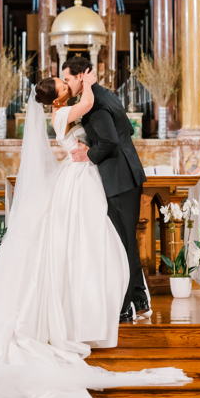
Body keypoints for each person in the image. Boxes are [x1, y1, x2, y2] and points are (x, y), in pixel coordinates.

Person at [0, 84, 189, 398]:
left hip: (83, 178)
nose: (65, 87)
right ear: (54, 99)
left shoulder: (64, 111)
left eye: (64, 82)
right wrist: (86, 81)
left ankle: (109, 300)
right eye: (60, 86)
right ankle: (94, 307)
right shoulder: (62, 113)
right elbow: (88, 101)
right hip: (77, 178)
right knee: (82, 242)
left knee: (85, 243)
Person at [63, 55, 148, 322]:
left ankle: (125, 305)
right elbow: (128, 130)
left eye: (67, 79)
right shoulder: (107, 94)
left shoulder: (94, 103)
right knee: (126, 240)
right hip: (126, 173)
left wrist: (90, 154)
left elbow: (109, 141)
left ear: (79, 76)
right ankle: (138, 297)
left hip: (118, 177)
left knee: (121, 243)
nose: (66, 85)